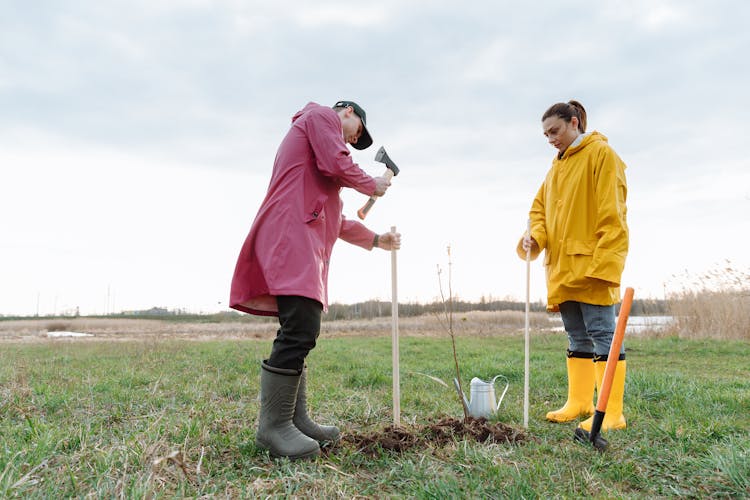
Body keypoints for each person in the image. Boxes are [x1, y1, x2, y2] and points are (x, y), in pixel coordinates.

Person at [229, 100, 401, 460]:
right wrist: (373, 183)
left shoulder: (322, 170)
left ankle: (295, 419)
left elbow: (335, 220)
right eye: (357, 134)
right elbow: (337, 161)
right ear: (348, 112)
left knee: (301, 327)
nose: (354, 142)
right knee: (301, 327)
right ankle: (273, 429)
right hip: (291, 236)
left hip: (304, 243)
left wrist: (375, 239)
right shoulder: (320, 116)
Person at [517, 100, 629, 432]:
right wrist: (534, 238)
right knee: (576, 335)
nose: (550, 139)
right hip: (562, 268)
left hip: (593, 265)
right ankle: (578, 402)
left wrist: (606, 264)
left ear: (575, 123)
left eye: (555, 131)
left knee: (603, 335)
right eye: (546, 134)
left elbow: (614, 215)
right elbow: (538, 211)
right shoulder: (555, 169)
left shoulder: (602, 156)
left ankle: (611, 412)